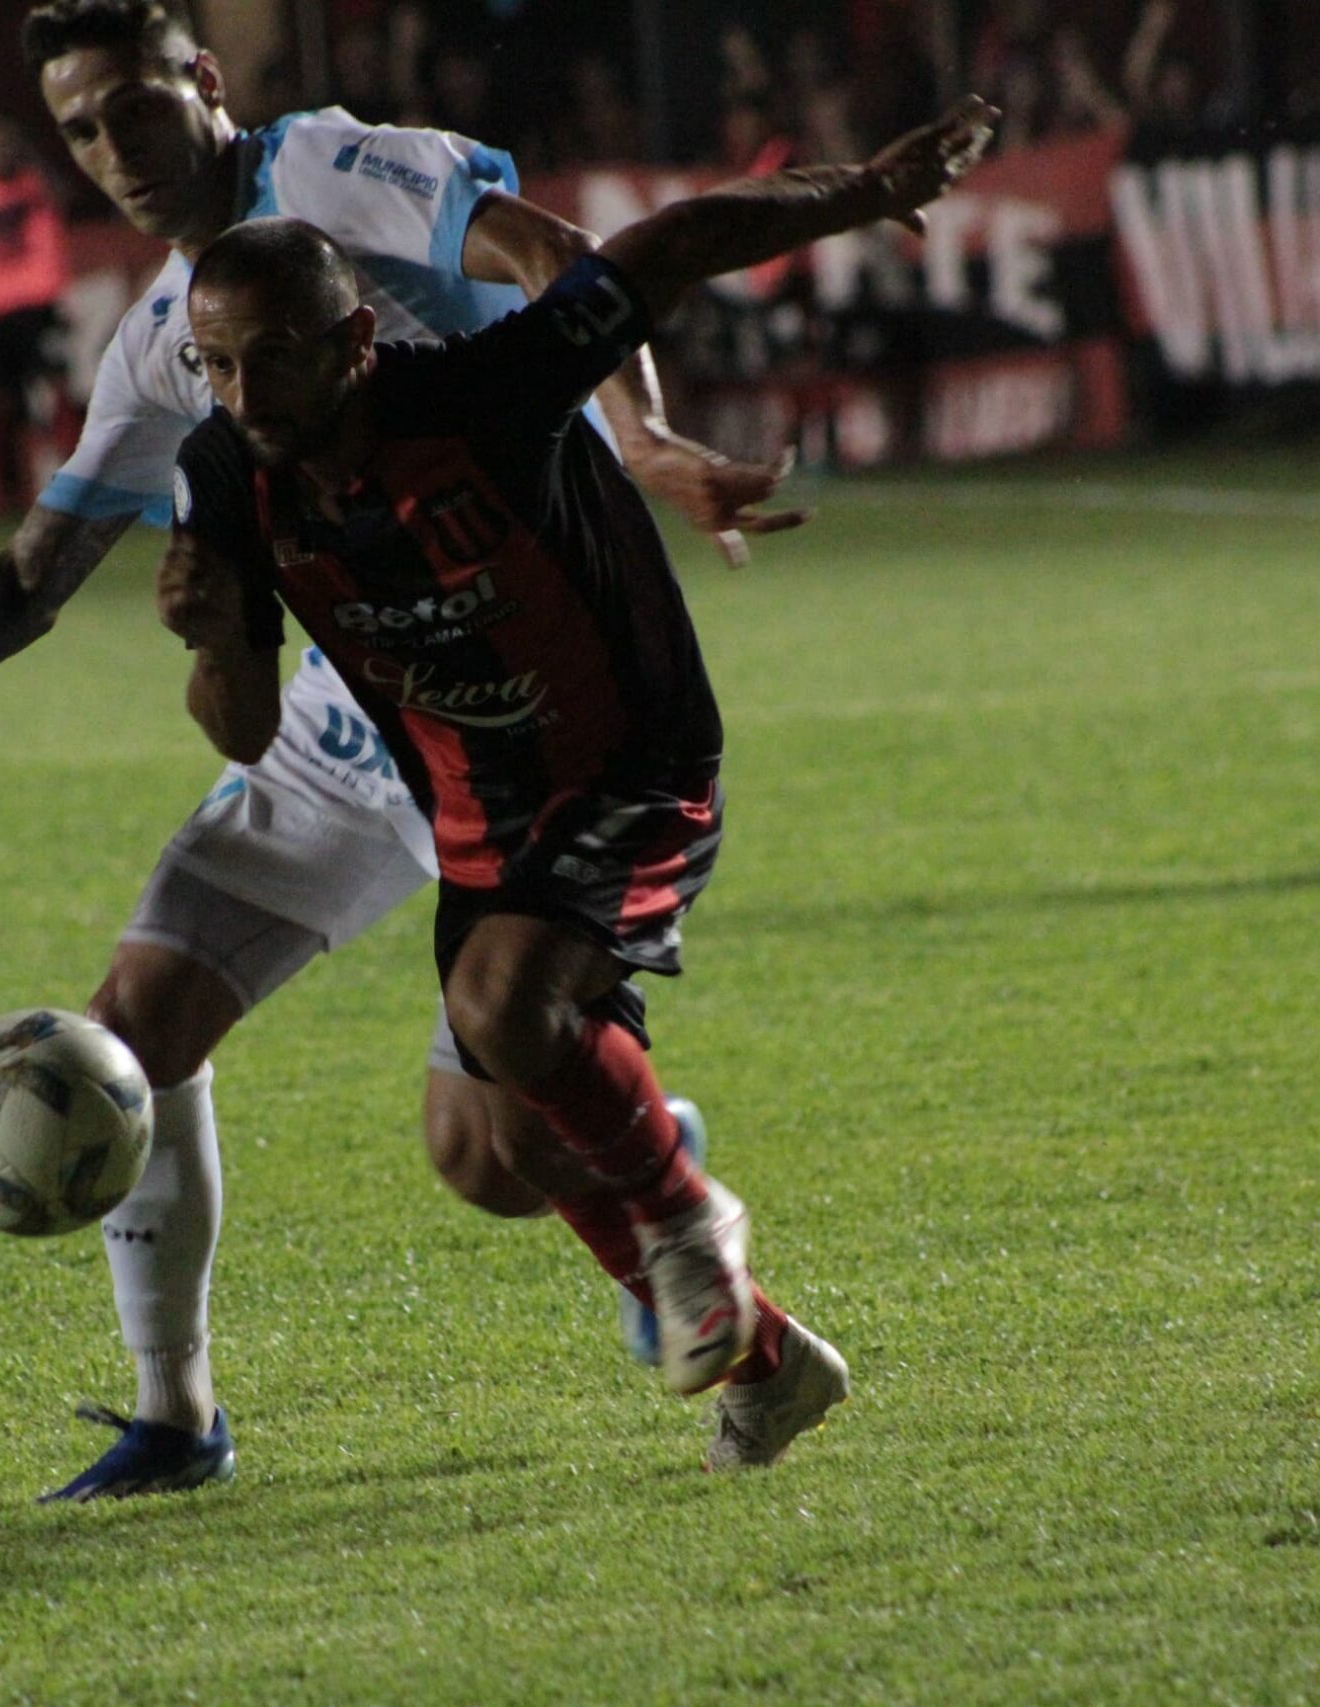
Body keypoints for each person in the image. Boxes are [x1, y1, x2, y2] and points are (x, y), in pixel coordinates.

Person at [0, 0, 799, 1501]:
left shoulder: (332, 171)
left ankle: (653, 1181)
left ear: (205, 83)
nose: (116, 150)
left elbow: (553, 253)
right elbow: (37, 578)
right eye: (81, 130)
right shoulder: (164, 343)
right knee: (140, 1019)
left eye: (134, 107)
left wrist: (642, 437)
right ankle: (175, 1415)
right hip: (338, 731)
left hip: (505, 718)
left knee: (497, 1152)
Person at [155, 97, 998, 1467]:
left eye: (275, 360)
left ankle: (687, 1219)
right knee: (496, 1151)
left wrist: (863, 190)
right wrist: (208, 639)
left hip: (629, 764)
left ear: (354, 342)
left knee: (502, 1006)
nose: (246, 396)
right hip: (479, 812)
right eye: (217, 366)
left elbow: (668, 246)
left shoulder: (484, 394)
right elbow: (243, 730)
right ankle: (773, 1365)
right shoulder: (225, 474)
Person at [0, 117, 70, 512]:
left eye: (9, 144)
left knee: (54, 392)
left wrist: (35, 163)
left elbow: (62, 199)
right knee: (2, 402)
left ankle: (69, 476)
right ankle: (3, 491)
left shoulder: (34, 180)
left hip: (40, 304)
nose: (2, 153)